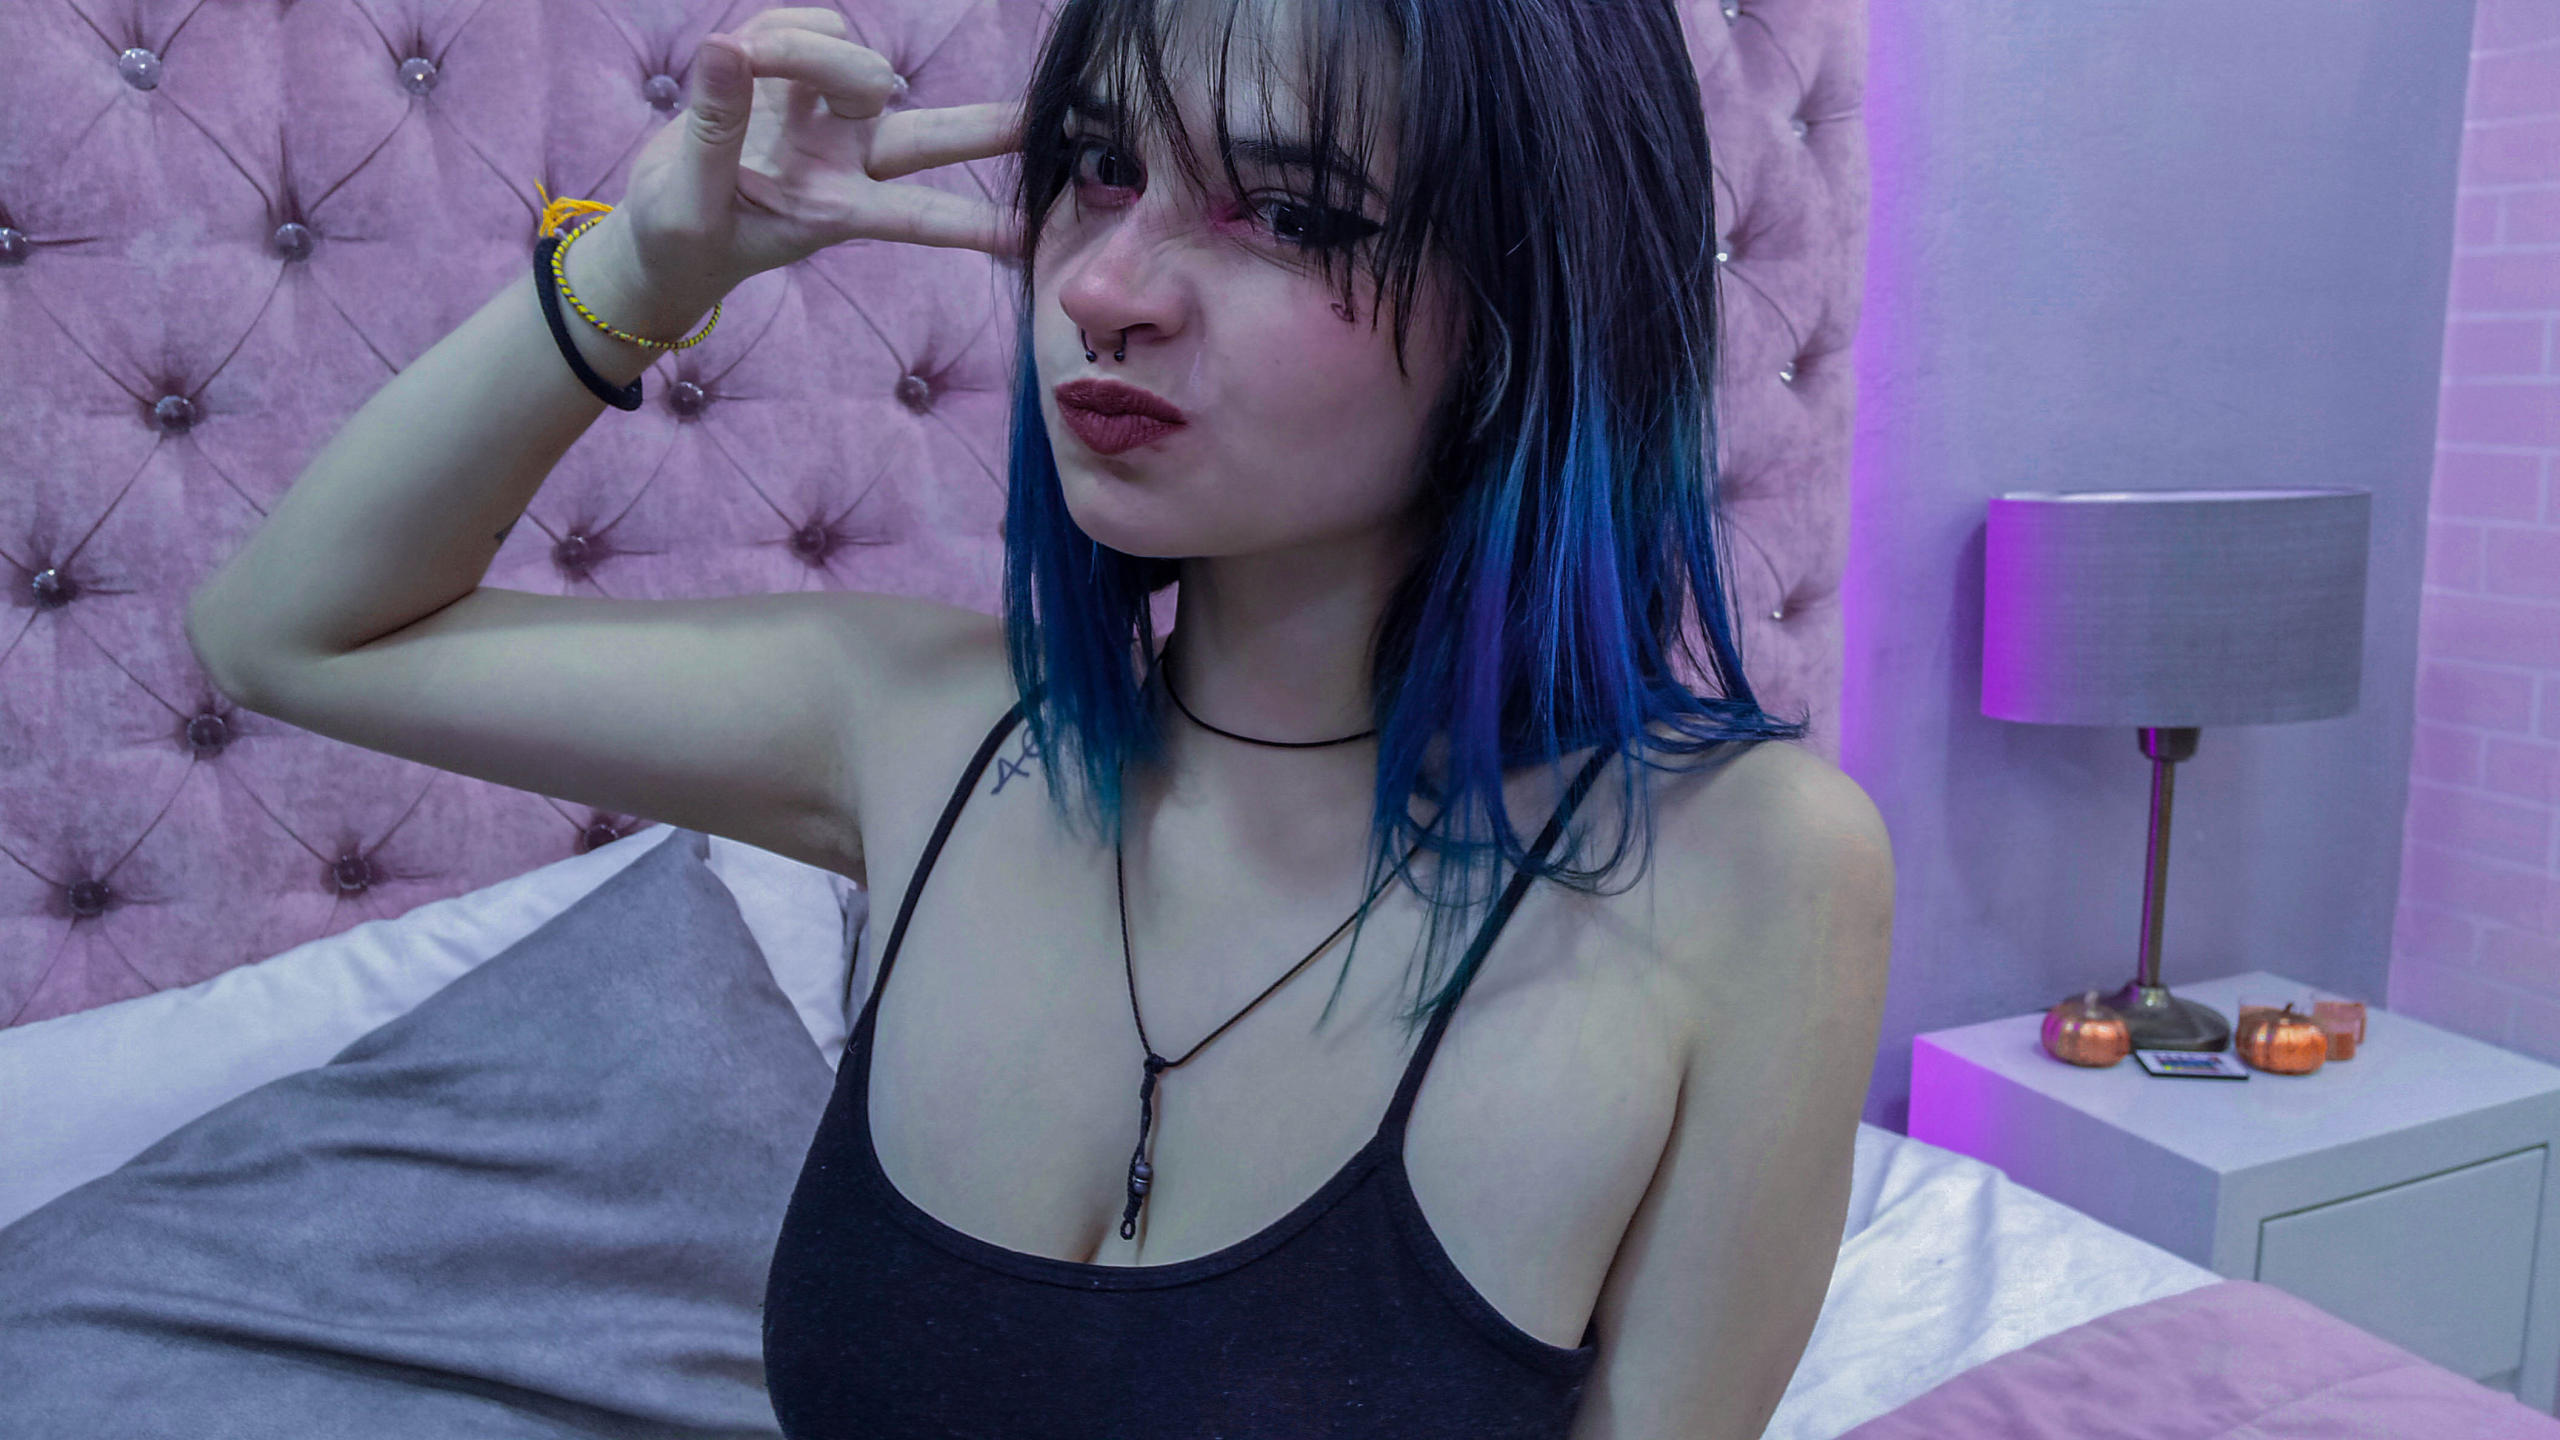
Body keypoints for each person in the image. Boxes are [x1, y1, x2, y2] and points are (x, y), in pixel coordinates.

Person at [184, 0, 1894, 1434]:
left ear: (1538, 291)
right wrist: (642, 267)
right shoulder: (922, 729)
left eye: (1292, 215)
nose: (1104, 287)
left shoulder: (1745, 871)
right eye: (1099, 169)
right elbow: (289, 638)